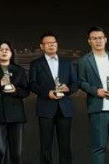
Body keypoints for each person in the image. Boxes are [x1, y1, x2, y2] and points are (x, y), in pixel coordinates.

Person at [78, 27, 109, 164]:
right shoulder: (84, 61)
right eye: (94, 38)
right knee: (98, 148)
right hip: (97, 110)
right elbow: (81, 82)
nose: (98, 41)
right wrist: (96, 91)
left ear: (105, 39)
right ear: (89, 41)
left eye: (100, 38)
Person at [29, 31, 77, 164]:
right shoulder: (36, 64)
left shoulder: (67, 63)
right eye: (48, 43)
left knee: (65, 144)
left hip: (64, 108)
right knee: (45, 144)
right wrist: (47, 93)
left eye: (54, 42)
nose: (51, 45)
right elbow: (32, 84)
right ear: (42, 46)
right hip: (45, 107)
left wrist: (68, 89)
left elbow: (75, 83)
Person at [0, 40, 29, 164]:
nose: (4, 51)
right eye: (1, 49)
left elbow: (26, 91)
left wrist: (15, 90)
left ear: (11, 53)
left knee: (17, 154)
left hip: (16, 115)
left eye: (7, 49)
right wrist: (0, 83)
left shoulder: (19, 70)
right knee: (0, 151)